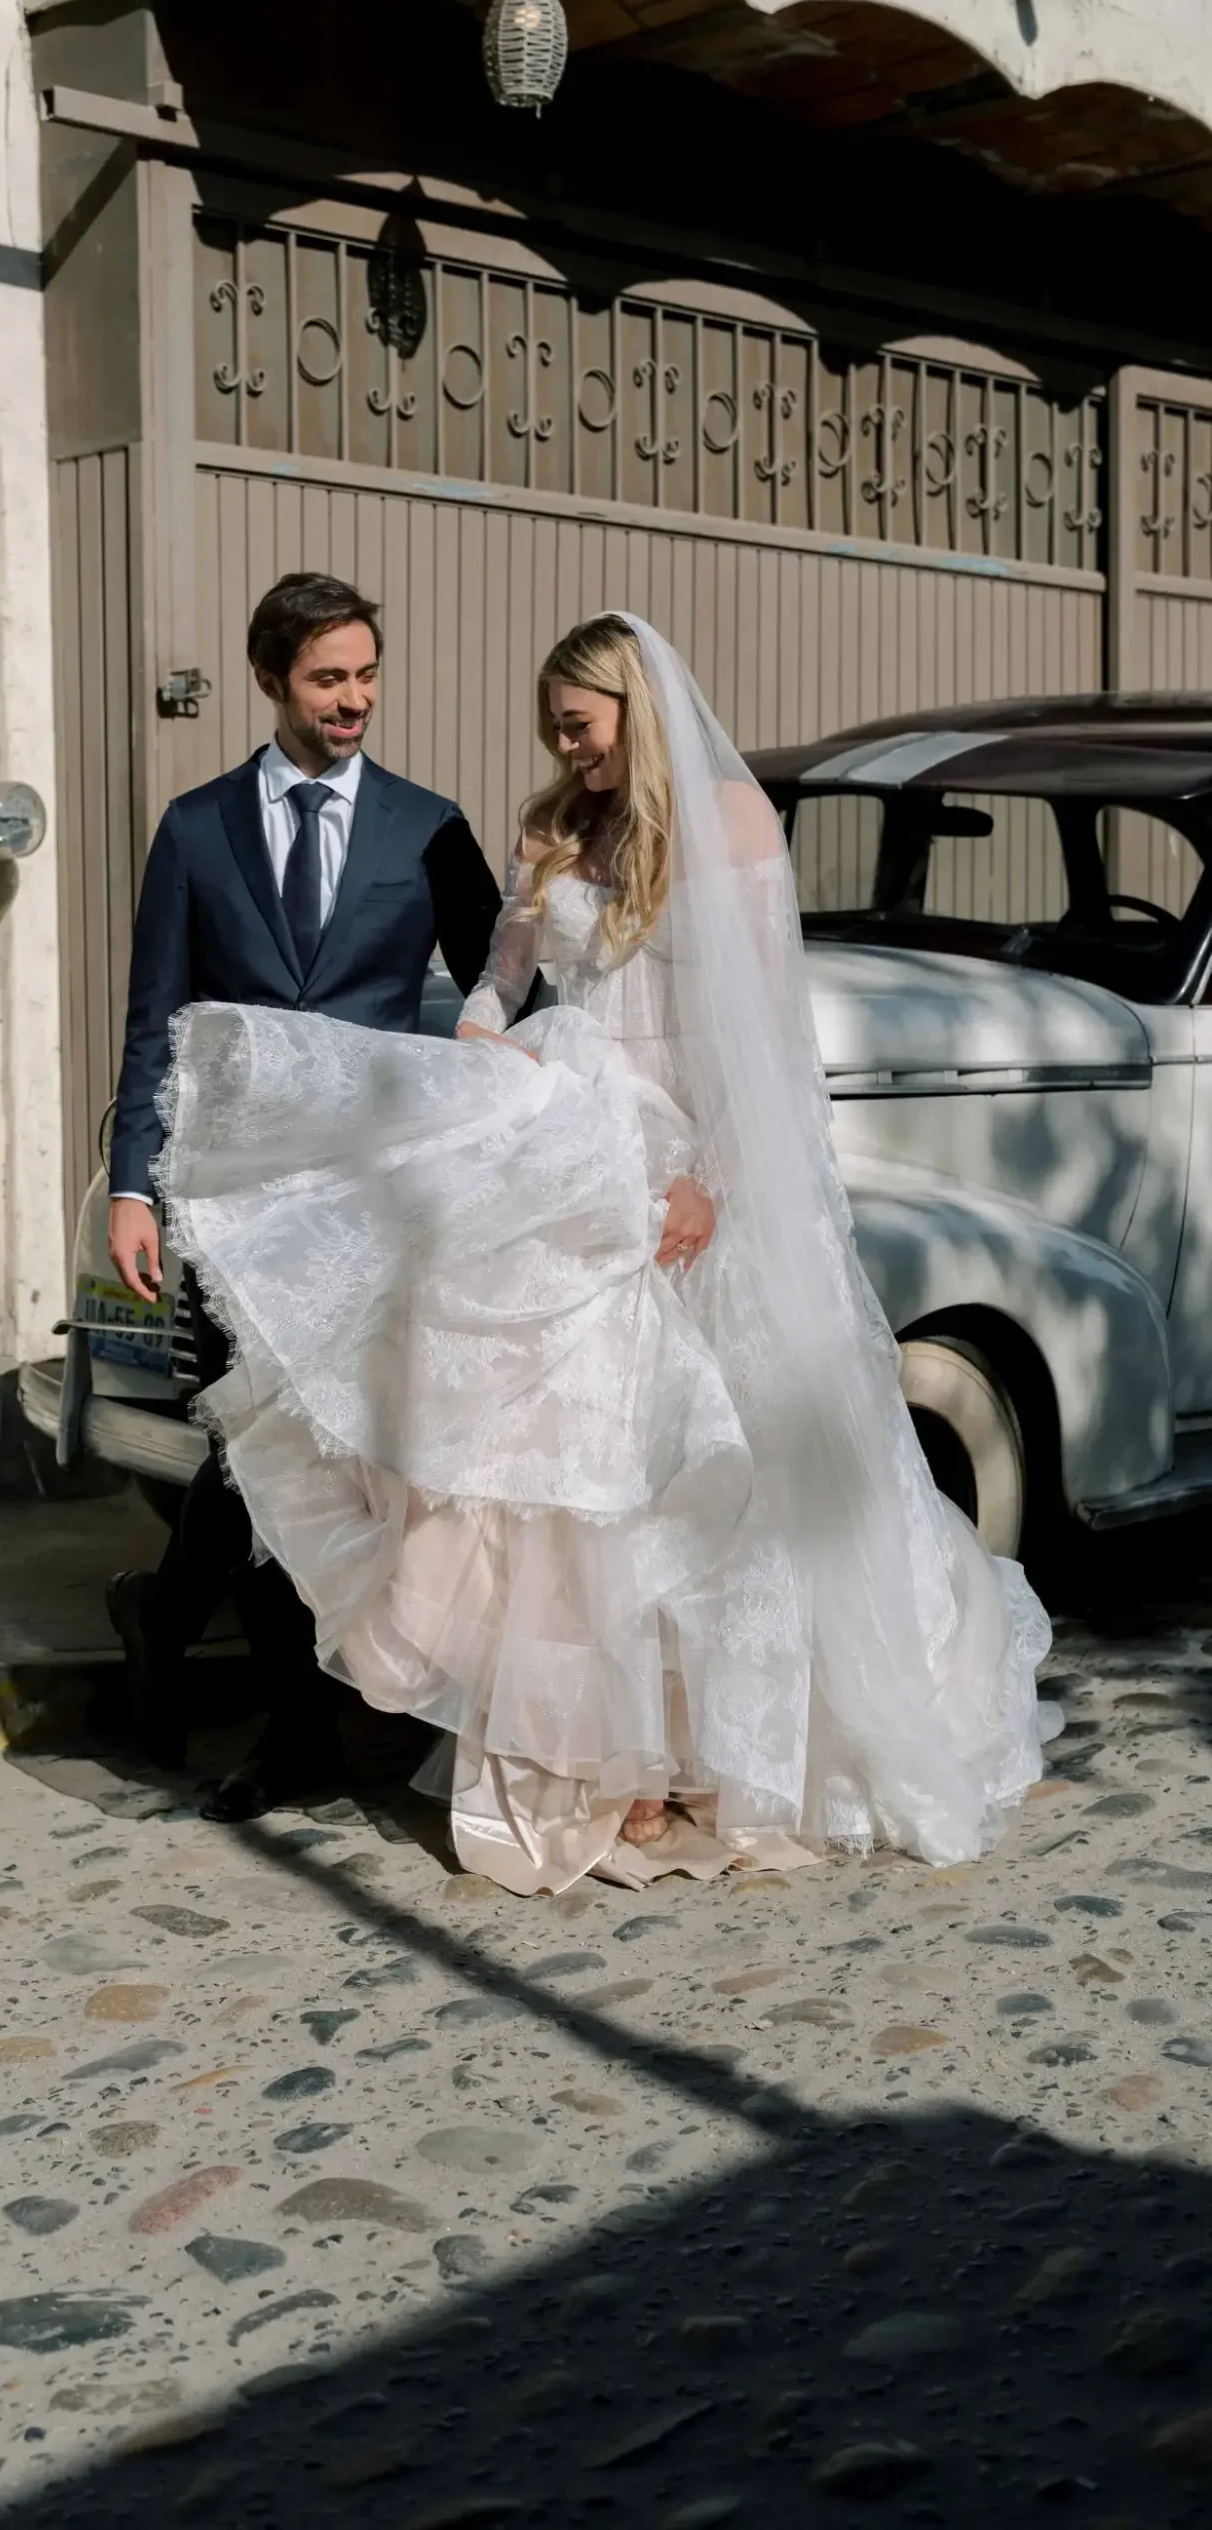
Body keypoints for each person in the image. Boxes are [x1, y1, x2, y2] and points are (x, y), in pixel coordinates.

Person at [154, 612, 1054, 1889]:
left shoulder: (731, 828)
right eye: (555, 735)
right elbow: (502, 973)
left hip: (687, 1155)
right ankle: (609, 1750)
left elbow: (760, 1039)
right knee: (575, 1463)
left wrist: (712, 1184)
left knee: (704, 1462)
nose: (567, 752)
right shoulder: (555, 830)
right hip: (573, 1141)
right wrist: (474, 1035)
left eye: (579, 726)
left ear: (632, 705)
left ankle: (712, 1750)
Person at [105, 571, 502, 1821]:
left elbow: (503, 995)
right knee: (252, 1443)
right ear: (272, 680)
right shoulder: (194, 826)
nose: (354, 700)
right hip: (233, 1194)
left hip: (373, 1201)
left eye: (368, 674)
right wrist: (133, 1184)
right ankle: (282, 1729)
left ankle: (175, 1625)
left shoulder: (427, 827)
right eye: (328, 678)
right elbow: (153, 1021)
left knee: (326, 1453)